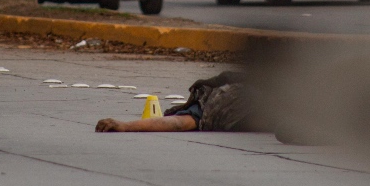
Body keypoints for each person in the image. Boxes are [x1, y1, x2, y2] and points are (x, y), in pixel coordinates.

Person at [95, 72, 257, 133]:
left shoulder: (217, 100)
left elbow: (179, 123)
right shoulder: (221, 101)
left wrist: (126, 126)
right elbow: (179, 122)